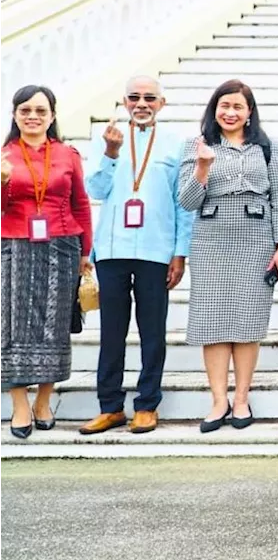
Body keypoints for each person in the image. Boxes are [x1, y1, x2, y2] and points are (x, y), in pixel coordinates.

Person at [179, 80, 278, 433]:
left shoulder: (269, 147)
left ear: (249, 113)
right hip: (211, 239)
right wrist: (202, 167)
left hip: (256, 238)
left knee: (248, 322)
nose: (230, 112)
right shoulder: (196, 146)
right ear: (214, 109)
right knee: (213, 323)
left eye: (237, 107)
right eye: (224, 105)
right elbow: (186, 201)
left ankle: (242, 398)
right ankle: (218, 400)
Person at [80, 76, 193, 436]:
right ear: (124, 102)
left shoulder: (177, 144)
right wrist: (111, 154)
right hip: (112, 249)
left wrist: (180, 253)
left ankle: (147, 404)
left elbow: (183, 203)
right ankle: (110, 406)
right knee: (112, 332)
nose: (141, 103)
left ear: (162, 103)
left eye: (149, 98)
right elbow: (95, 189)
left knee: (152, 331)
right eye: (134, 97)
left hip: (156, 249)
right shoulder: (107, 139)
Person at [0, 85, 93, 439]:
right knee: (11, 327)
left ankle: (43, 400)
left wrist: (86, 251)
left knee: (53, 325)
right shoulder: (4, 155)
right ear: (14, 115)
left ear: (52, 116)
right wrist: (2, 182)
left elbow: (80, 204)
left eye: (40, 110)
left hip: (62, 246)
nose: (33, 117)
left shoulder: (68, 154)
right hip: (12, 245)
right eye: (25, 110)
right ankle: (19, 405)